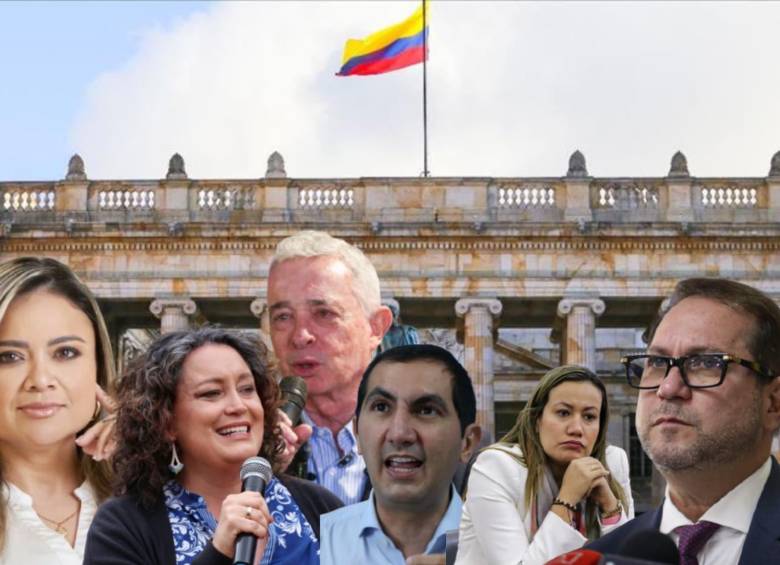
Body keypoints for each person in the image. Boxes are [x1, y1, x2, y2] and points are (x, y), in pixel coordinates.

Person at [83, 327, 342, 565]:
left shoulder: (321, 507)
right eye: (211, 393)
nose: (238, 406)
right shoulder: (123, 525)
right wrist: (218, 552)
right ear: (166, 422)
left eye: (247, 389)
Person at [587, 278, 780, 564]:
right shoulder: (596, 558)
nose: (668, 388)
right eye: (656, 362)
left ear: (773, 402)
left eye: (707, 363)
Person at [0, 257, 117, 564]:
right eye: (9, 357)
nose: (40, 380)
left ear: (98, 369)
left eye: (65, 353)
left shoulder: (151, 494)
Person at [319, 344, 481, 565]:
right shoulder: (315, 539)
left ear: (467, 442)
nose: (399, 433)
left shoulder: (507, 549)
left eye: (426, 410)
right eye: (381, 407)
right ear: (357, 433)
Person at [456, 365, 633, 565]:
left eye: (589, 416)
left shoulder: (612, 462)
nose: (576, 429)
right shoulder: (495, 467)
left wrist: (610, 506)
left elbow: (628, 560)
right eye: (563, 413)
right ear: (537, 420)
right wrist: (567, 498)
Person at [267, 231, 393, 504]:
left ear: (376, 327)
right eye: (283, 317)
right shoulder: (249, 451)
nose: (300, 335)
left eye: (324, 314)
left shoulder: (429, 445)